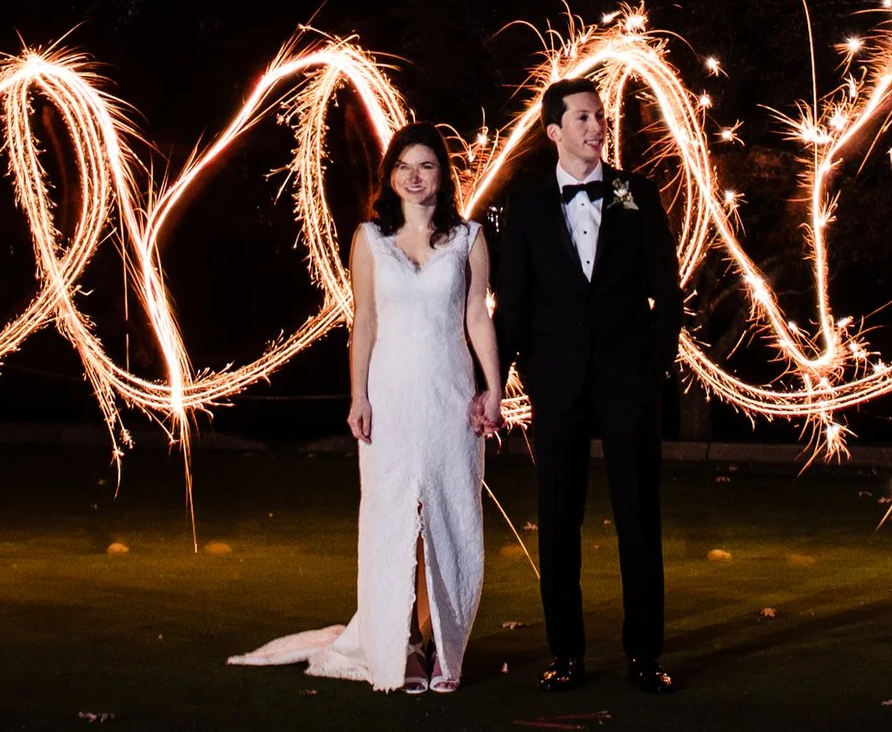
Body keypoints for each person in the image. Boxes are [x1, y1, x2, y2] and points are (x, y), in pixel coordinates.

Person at [229, 125, 503, 693]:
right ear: (390, 175)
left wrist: (494, 388)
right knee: (392, 518)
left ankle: (443, 645)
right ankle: (397, 644)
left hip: (450, 395)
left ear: (442, 174)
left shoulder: (469, 238)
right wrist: (358, 396)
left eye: (426, 165)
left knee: (450, 518)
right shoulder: (370, 239)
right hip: (391, 395)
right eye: (404, 166)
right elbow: (366, 322)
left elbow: (477, 316)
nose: (414, 176)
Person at [491, 77, 683, 694]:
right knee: (557, 519)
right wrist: (503, 379)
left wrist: (655, 364)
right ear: (554, 130)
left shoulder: (634, 193)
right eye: (582, 117)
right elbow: (513, 305)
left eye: (599, 116)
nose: (597, 126)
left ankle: (644, 656)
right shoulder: (525, 205)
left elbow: (668, 290)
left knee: (638, 519)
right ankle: (566, 655)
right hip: (558, 386)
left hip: (629, 384)